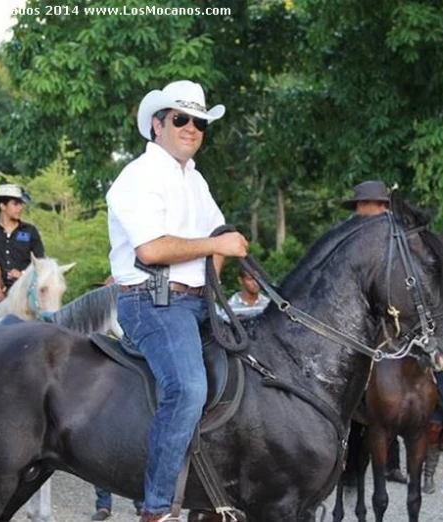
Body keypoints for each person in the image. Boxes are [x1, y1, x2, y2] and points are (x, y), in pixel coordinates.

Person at [107, 80, 248, 522]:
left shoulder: (195, 179)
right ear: (157, 124)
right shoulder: (138, 176)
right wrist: (215, 248)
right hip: (151, 301)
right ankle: (156, 509)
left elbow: (219, 236)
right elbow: (150, 250)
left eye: (199, 122)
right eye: (181, 119)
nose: (192, 128)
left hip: (194, 301)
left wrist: (212, 281)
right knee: (187, 388)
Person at [341, 180, 443, 452]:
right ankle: (337, 428)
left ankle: (442, 423)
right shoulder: (345, 238)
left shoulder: (399, 238)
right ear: (358, 207)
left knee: (438, 361)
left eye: (381, 205)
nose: (375, 210)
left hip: (398, 319)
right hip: (358, 314)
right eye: (369, 204)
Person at [0, 184, 44, 303]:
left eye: (21, 204)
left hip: (26, 288)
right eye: (15, 204)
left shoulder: (30, 231)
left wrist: (22, 274)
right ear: (2, 205)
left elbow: (40, 261)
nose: (20, 208)